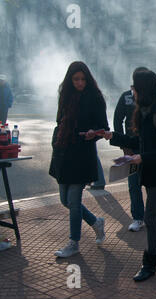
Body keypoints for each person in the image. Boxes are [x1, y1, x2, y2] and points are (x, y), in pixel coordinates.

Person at [104, 70, 156, 282]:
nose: (132, 91)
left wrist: (143, 158)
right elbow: (139, 142)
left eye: (135, 88)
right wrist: (113, 136)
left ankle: (150, 263)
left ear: (144, 90)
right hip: (151, 172)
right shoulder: (144, 111)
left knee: (150, 217)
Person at [49, 61, 109, 258]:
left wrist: (94, 132)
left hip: (82, 154)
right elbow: (59, 121)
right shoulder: (65, 95)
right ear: (70, 80)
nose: (80, 83)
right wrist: (56, 142)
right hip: (64, 153)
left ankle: (74, 242)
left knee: (74, 201)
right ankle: (95, 222)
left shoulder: (95, 97)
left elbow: (104, 127)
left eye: (83, 79)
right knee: (65, 200)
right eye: (76, 79)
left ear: (88, 79)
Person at [113, 67, 148, 232]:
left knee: (152, 185)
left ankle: (155, 216)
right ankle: (138, 218)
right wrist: (123, 145)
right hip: (132, 148)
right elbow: (117, 119)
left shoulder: (153, 97)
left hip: (149, 150)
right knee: (134, 184)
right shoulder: (126, 97)